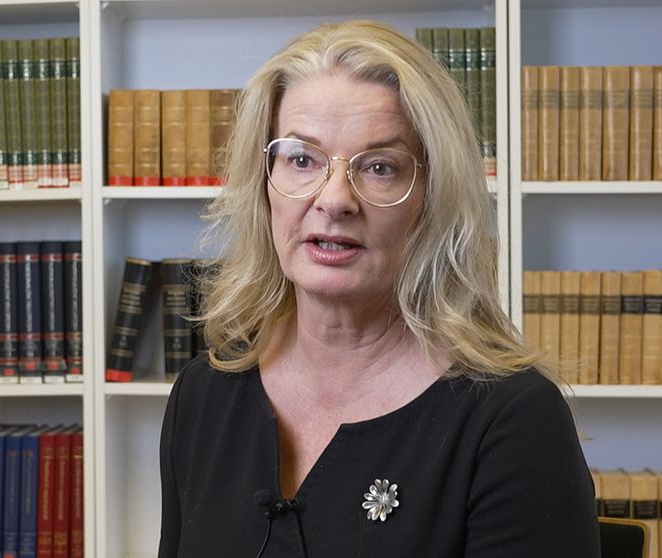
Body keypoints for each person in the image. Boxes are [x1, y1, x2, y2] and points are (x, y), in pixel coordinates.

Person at [158, 20, 600, 558]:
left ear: (430, 200)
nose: (334, 200)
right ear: (263, 182)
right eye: (302, 160)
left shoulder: (513, 421)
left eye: (380, 168)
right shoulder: (203, 396)